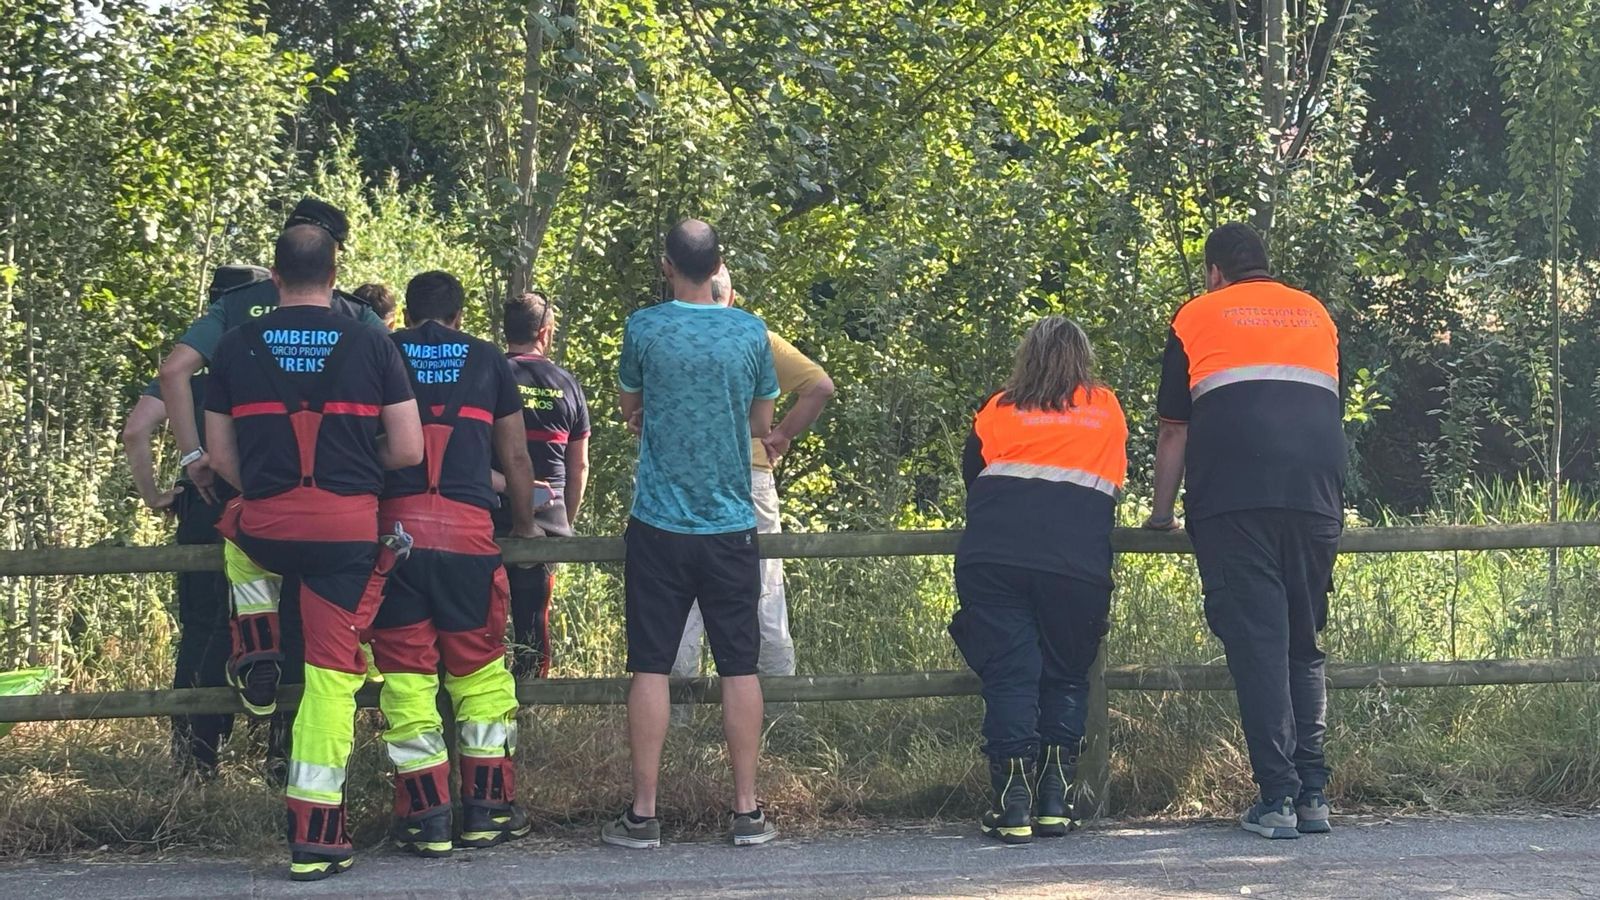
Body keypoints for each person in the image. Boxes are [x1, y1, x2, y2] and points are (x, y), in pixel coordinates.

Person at [204, 224, 422, 881]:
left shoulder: (237, 344)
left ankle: (259, 643)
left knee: (233, 532)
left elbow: (219, 457)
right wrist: (356, 469)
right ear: (335, 277)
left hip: (267, 523)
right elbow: (409, 449)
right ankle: (317, 836)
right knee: (333, 679)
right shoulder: (373, 341)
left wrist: (267, 491)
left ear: (274, 277)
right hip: (345, 532)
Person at [1144, 223, 1345, 840]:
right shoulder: (1316, 314)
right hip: (1315, 496)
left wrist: (1160, 514)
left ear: (1214, 272)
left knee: (1259, 645)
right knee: (1301, 643)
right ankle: (1313, 796)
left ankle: (1278, 800)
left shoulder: (1196, 316)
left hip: (1233, 500)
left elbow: (1175, 428)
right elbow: (1328, 408)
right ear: (1266, 263)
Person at [601, 219, 779, 850]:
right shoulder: (750, 332)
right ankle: (747, 810)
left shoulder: (644, 327)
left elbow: (630, 411)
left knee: (649, 665)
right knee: (739, 665)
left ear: (667, 265)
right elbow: (761, 421)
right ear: (719, 264)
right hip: (731, 522)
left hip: (657, 521)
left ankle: (645, 814)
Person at [372, 271, 542, 856]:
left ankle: (427, 820)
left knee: (409, 680)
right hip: (469, 539)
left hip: (395, 540)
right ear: (460, 315)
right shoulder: (488, 359)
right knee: (479, 679)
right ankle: (488, 811)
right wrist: (521, 527)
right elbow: (516, 455)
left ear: (409, 312)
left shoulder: (384, 349)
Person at [949, 317, 1127, 844]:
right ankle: (1055, 801)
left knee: (1010, 675)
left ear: (1026, 357)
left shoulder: (997, 408)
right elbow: (1115, 478)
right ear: (1083, 361)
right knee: (1068, 674)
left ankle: (1012, 804)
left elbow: (972, 475)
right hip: (1076, 563)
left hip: (995, 557)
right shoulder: (1107, 409)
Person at [120, 265, 270, 774]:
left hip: (201, 503)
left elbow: (136, 430)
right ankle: (277, 749)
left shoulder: (194, 374)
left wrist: (155, 495)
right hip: (265, 502)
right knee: (272, 620)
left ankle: (193, 758)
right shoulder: (270, 365)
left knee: (201, 625)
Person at [670, 266, 834, 690]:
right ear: (733, 296)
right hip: (749, 471)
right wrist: (779, 434)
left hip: (686, 475)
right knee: (763, 590)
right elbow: (819, 386)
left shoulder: (673, 335)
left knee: (683, 594)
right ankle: (779, 703)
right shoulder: (755, 336)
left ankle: (679, 711)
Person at [493, 291, 591, 679]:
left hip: (490, 515)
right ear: (545, 333)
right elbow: (579, 463)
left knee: (481, 622)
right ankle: (530, 699)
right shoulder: (566, 383)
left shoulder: (488, 374)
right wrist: (564, 520)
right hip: (546, 522)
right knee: (533, 623)